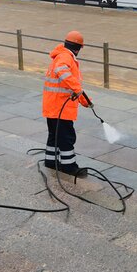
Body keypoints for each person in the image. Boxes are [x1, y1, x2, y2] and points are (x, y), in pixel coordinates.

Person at [42, 30, 92, 177]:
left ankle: (51, 162)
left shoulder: (60, 55)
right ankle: (69, 167)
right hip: (60, 108)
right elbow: (62, 72)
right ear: (78, 48)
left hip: (52, 106)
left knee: (54, 135)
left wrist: (84, 101)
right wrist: (78, 91)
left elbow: (68, 83)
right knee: (67, 137)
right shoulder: (65, 57)